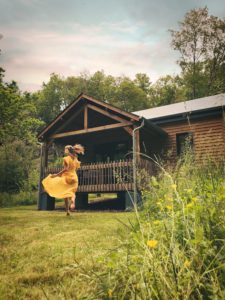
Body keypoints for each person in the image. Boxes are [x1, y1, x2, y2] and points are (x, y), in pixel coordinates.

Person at [42, 144, 85, 216]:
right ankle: (72, 203)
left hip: (66, 177)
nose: (64, 150)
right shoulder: (75, 158)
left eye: (65, 149)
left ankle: (68, 210)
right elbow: (76, 168)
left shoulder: (66, 158)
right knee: (72, 192)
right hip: (74, 177)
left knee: (65, 194)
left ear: (68, 150)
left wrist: (57, 174)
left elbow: (66, 168)